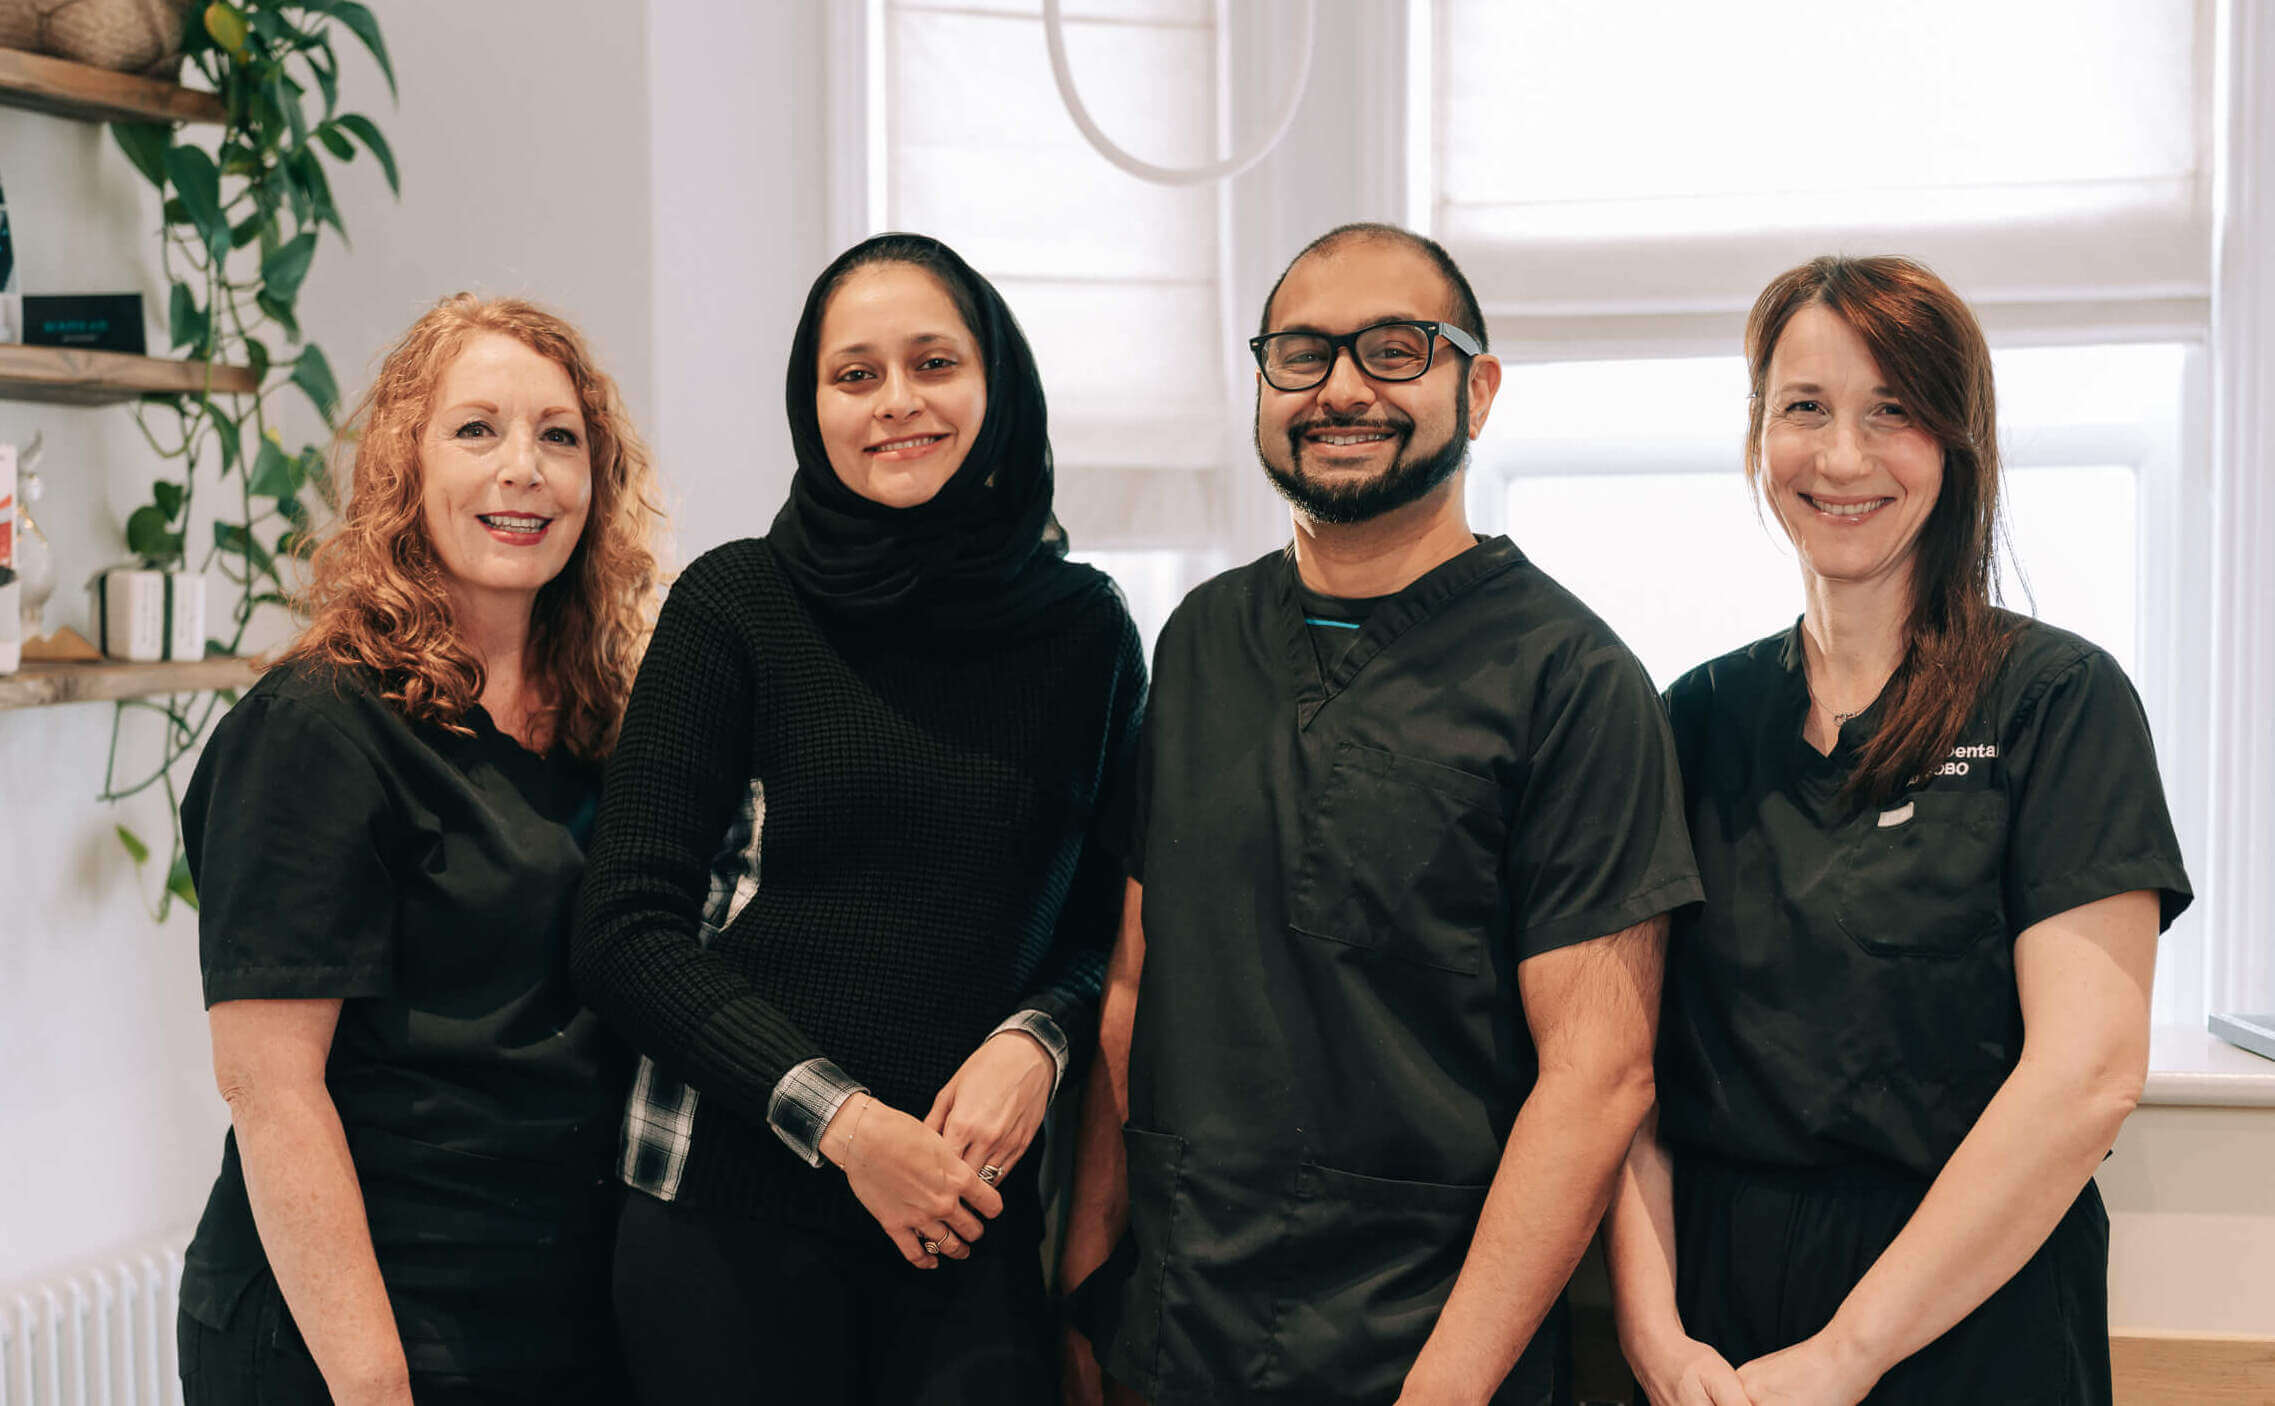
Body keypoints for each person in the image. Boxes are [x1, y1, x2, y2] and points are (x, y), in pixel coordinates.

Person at [1058, 222, 1701, 1406]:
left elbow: (1600, 1076)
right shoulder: (1200, 639)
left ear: (1479, 385)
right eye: (1300, 353)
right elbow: (1135, 992)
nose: (1342, 386)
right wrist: (1088, 1284)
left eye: (1395, 348)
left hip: (1429, 1347)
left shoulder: (1570, 679)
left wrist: (1442, 1391)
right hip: (1178, 1334)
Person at [1604, 255, 2193, 1406]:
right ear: (1756, 435)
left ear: (1956, 441)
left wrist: (1846, 1353)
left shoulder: (2056, 702)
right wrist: (1655, 1336)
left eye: (1892, 412)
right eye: (1803, 409)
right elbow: (1623, 1070)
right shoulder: (1691, 720)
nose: (1840, 458)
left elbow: (2086, 1076)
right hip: (1718, 1329)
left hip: (1973, 1313)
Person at [572, 232, 1146, 1405]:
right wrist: (848, 1128)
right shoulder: (735, 605)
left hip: (965, 1218)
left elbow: (1108, 922)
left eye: (933, 362)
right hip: (721, 1215)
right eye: (855, 374)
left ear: (997, 384)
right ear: (812, 401)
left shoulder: (1085, 631)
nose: (897, 403)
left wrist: (1036, 1039)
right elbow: (625, 931)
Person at [176, 294, 666, 1404]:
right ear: (406, 463)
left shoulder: (603, 723)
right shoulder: (318, 725)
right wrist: (373, 1382)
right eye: (476, 429)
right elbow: (271, 1086)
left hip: (550, 1306)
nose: (523, 469)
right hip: (355, 1326)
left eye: (558, 435)